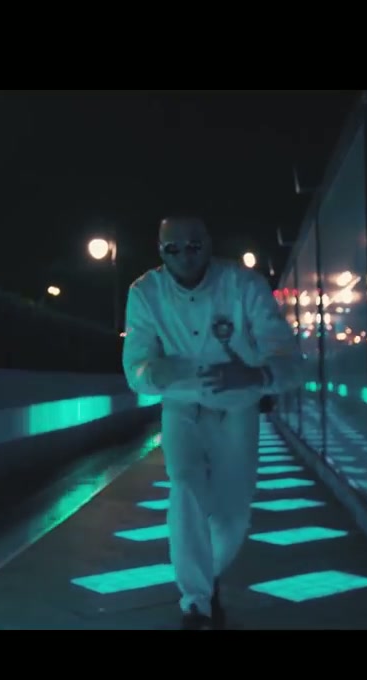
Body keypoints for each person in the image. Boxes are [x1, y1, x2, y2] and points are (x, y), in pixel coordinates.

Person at [121, 216, 304, 630]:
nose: (185, 257)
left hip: (237, 408)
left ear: (208, 243)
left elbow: (289, 360)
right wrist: (156, 373)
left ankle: (208, 576)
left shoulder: (243, 284)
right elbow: (136, 366)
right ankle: (196, 604)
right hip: (181, 406)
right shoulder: (145, 292)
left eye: (194, 246)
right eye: (173, 249)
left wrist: (255, 375)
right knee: (185, 487)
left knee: (232, 516)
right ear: (160, 250)